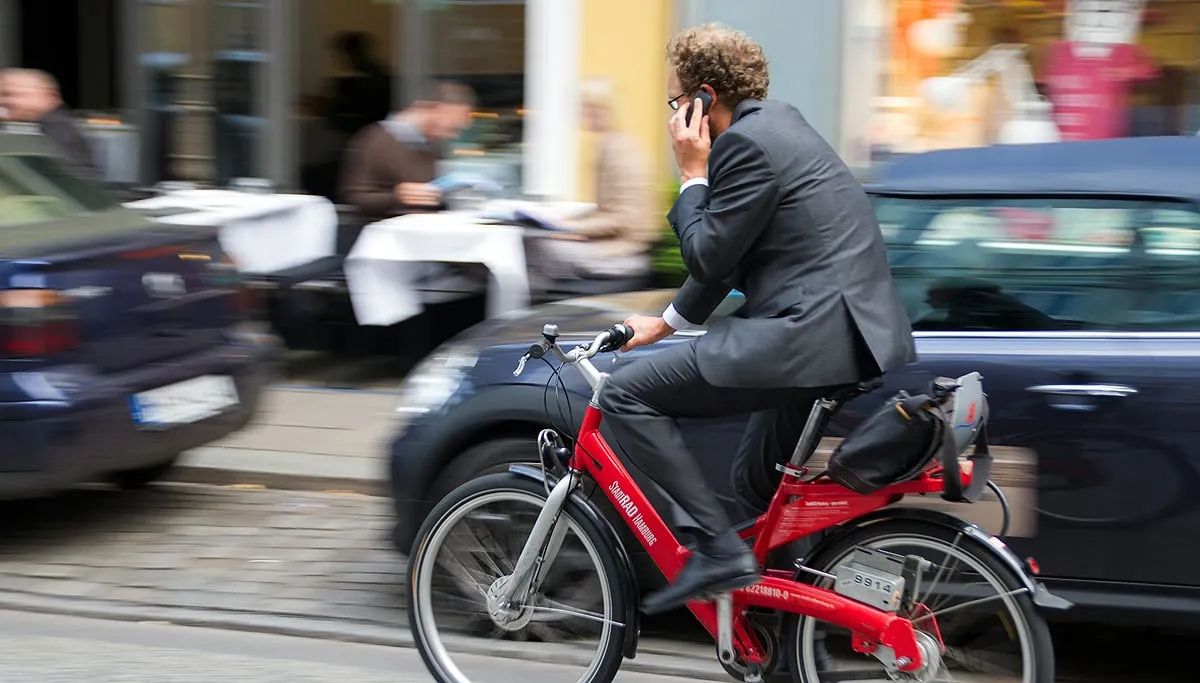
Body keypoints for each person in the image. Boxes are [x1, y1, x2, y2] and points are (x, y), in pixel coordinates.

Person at [597, 24, 917, 615]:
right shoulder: (780, 127)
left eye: (676, 102)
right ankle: (814, 616)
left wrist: (692, 172)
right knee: (756, 482)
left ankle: (716, 550)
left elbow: (710, 253)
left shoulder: (745, 146)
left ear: (702, 99)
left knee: (625, 396)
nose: (672, 116)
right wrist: (665, 322)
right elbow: (727, 259)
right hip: (841, 334)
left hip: (808, 335)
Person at [526, 78, 658, 289]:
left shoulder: (619, 151)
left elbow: (624, 218)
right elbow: (606, 210)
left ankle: (535, 311)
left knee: (535, 248)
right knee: (538, 246)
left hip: (622, 253)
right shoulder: (611, 145)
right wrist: (566, 222)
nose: (580, 115)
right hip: (611, 246)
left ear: (601, 110)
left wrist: (571, 228)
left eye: (584, 109)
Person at [339, 80, 476, 223]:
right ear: (432, 109)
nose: (452, 136)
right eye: (452, 127)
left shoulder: (432, 145)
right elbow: (355, 199)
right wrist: (397, 196)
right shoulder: (375, 139)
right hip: (389, 235)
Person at [0, 68, 97, 172]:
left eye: (13, 94)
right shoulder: (21, 125)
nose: (5, 102)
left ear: (49, 96)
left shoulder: (60, 129)